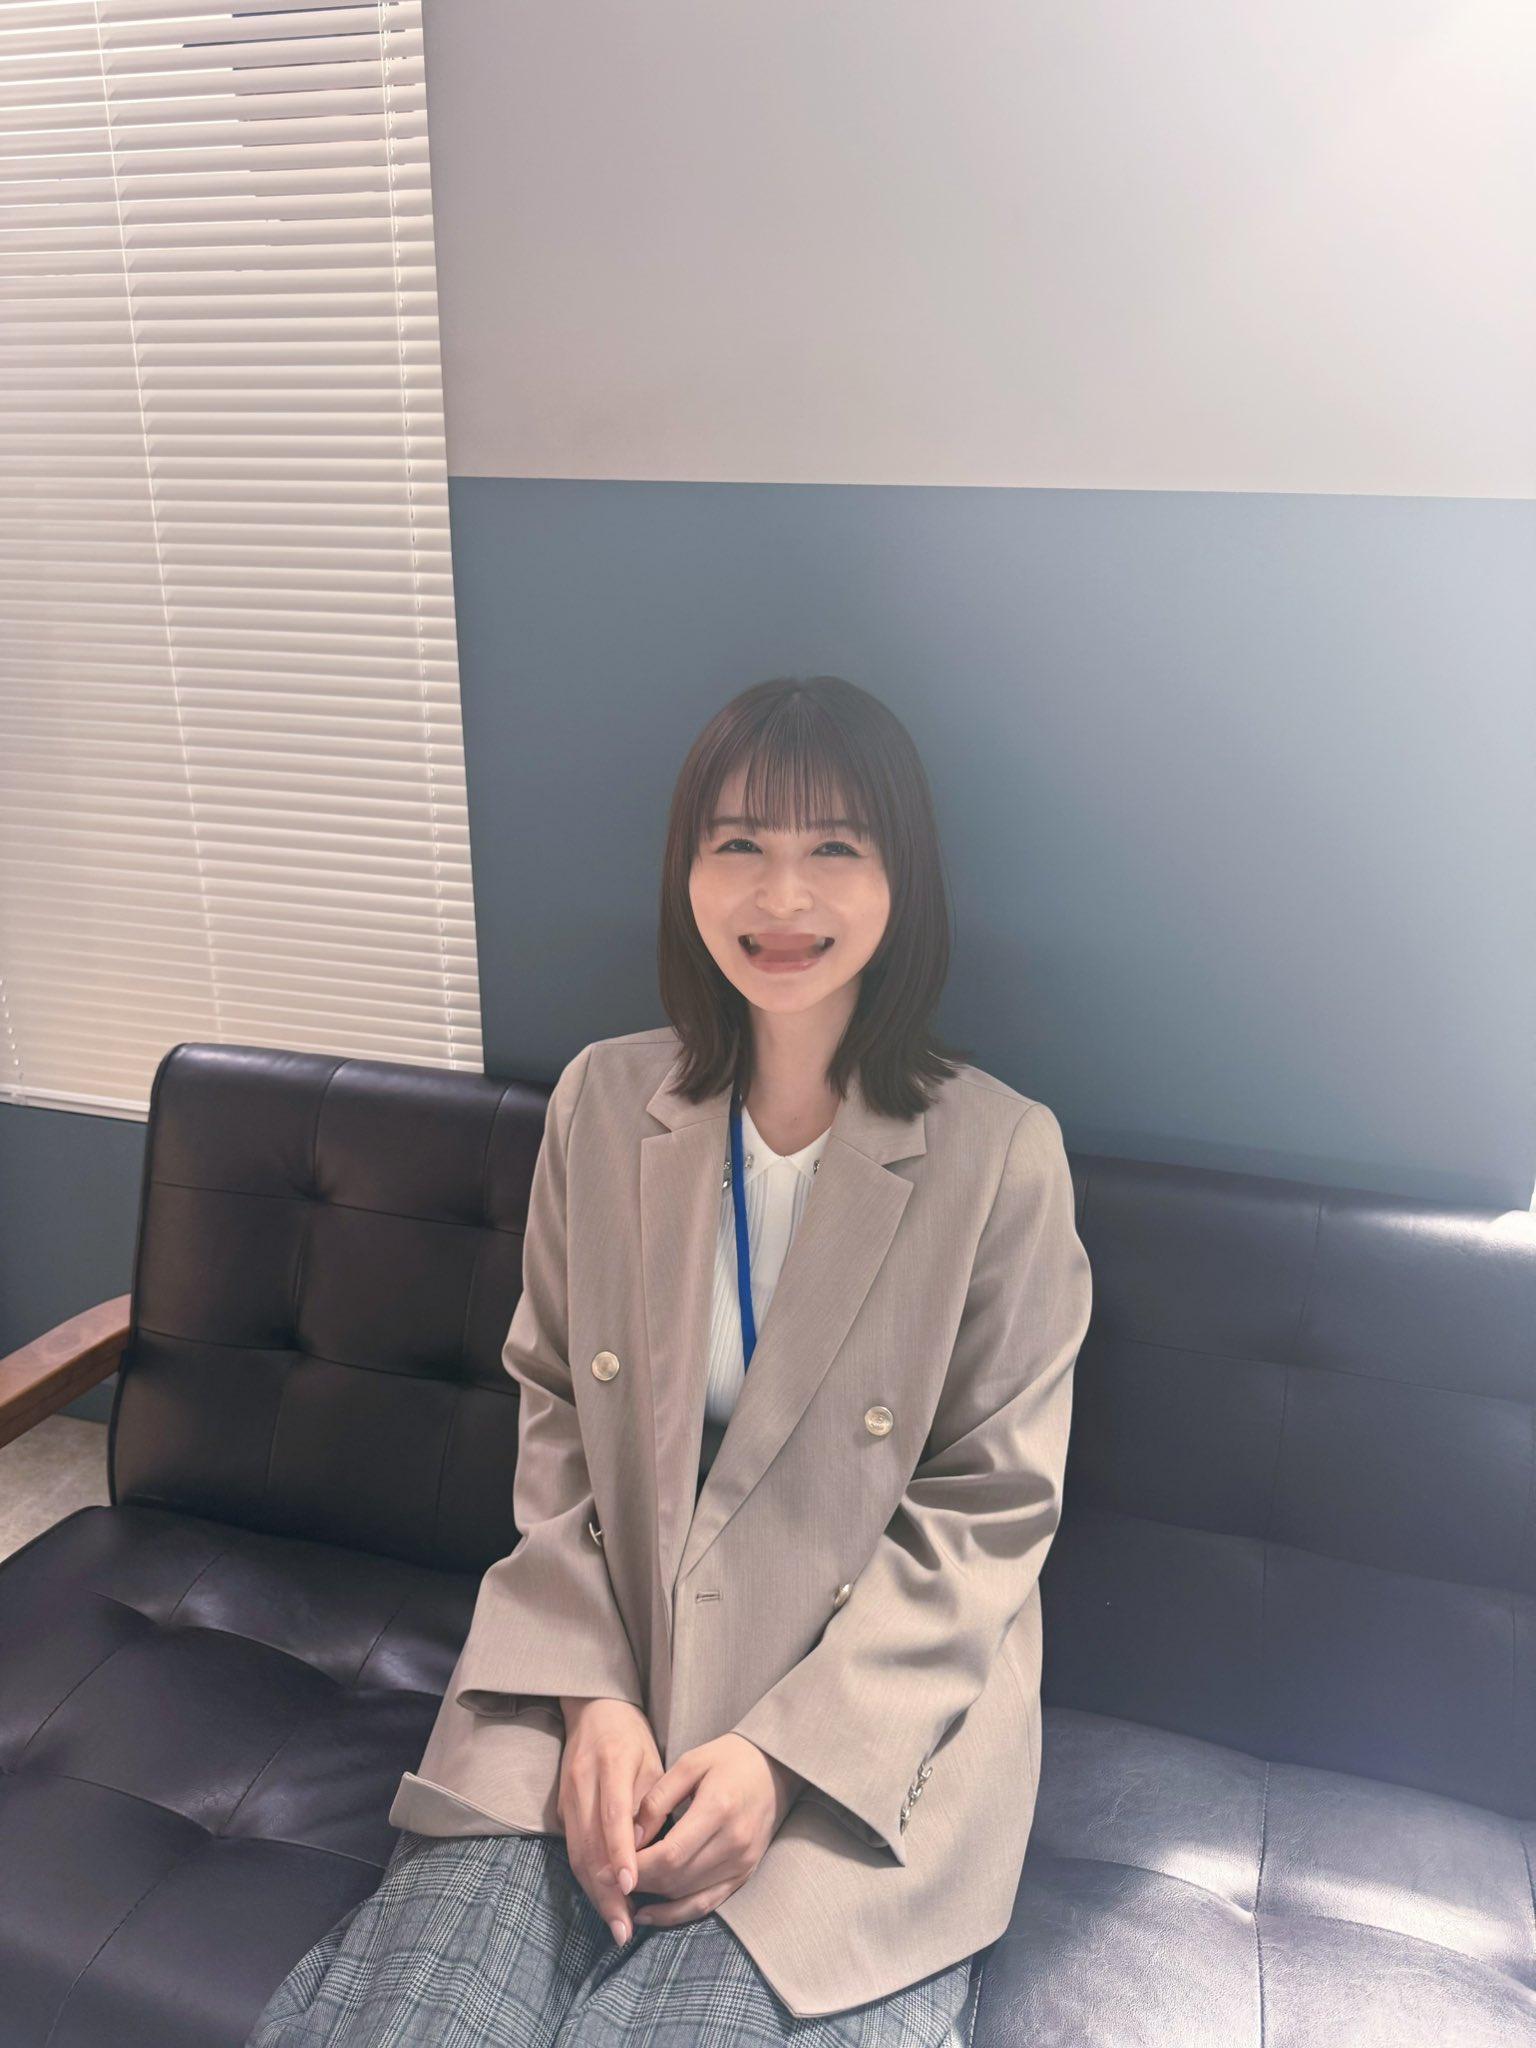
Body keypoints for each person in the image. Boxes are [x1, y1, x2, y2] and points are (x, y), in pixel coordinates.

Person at [245, 673, 1092, 2044]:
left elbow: (989, 1508)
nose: (782, 894)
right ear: (685, 871)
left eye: (835, 845)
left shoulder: (999, 1155)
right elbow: (554, 1414)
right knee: (420, 2016)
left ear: (903, 879)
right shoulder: (604, 1103)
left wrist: (779, 1759)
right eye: (738, 841)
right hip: (602, 1645)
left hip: (864, 1721)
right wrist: (589, 1694)